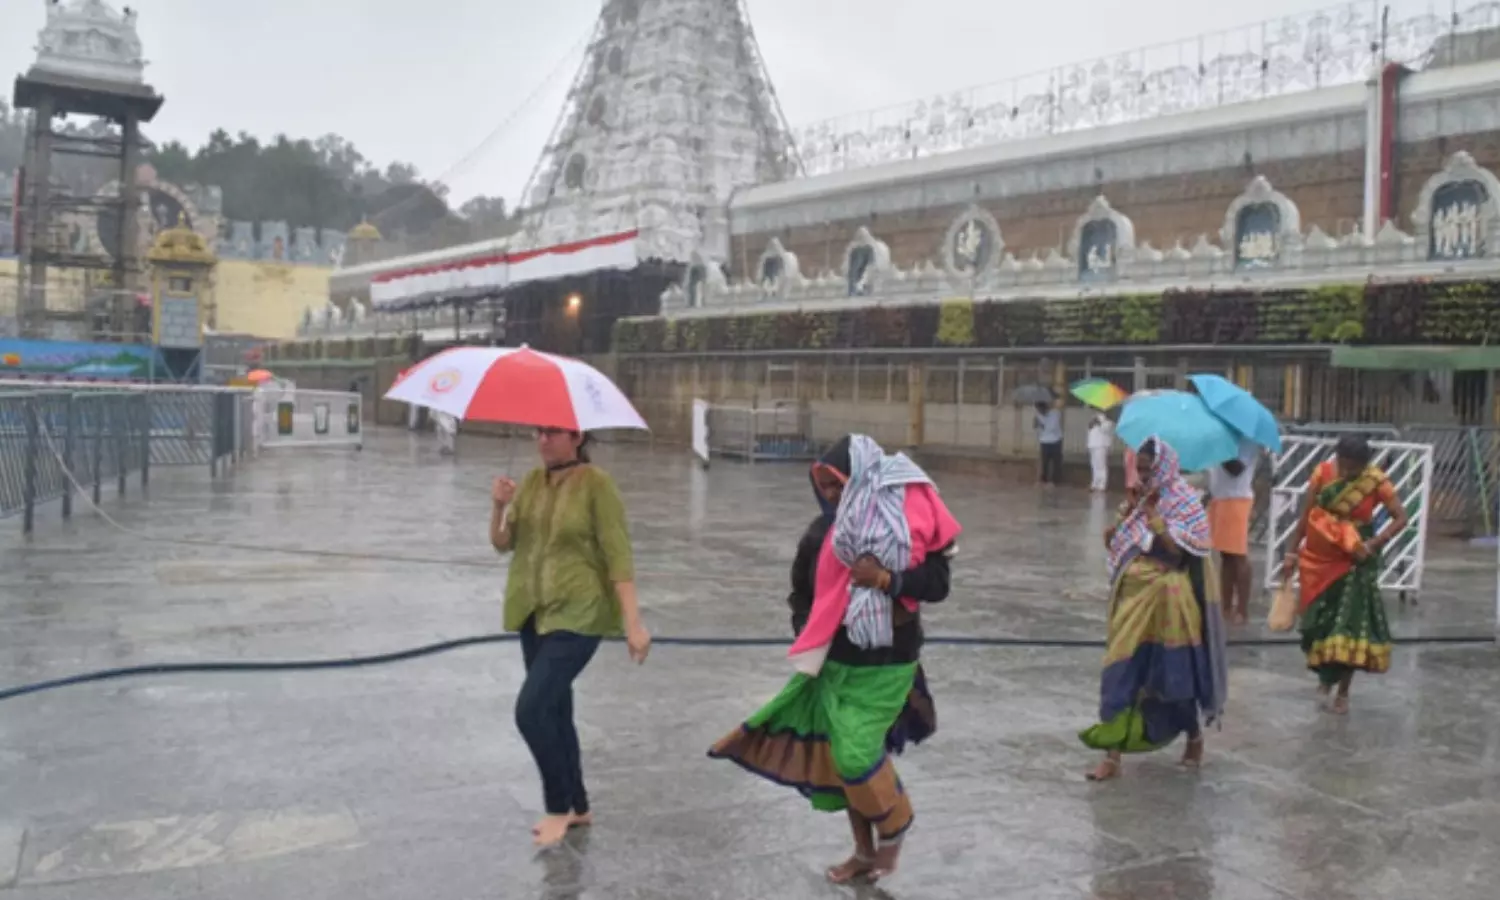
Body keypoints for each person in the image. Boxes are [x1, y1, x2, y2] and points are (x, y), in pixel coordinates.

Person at [709, 435, 960, 884]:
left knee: (854, 753)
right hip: (832, 664)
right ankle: (864, 851)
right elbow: (800, 594)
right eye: (822, 484)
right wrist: (813, 632)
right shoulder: (820, 534)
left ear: (860, 479)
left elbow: (938, 584)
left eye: (836, 483)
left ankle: (895, 823)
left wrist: (886, 579)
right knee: (838, 757)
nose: (829, 493)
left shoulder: (900, 527)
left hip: (888, 663)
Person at [490, 427, 652, 847]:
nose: (542, 440)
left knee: (531, 710)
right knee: (556, 712)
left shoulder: (597, 485)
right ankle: (579, 805)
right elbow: (502, 543)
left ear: (576, 437)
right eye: (538, 432)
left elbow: (619, 555)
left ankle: (558, 807)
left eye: (553, 433)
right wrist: (498, 507)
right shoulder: (529, 482)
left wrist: (634, 623)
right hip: (533, 611)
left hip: (580, 613)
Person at [1081, 437, 1228, 782]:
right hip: (1132, 599)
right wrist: (1126, 518)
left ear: (1165, 467)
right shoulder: (1139, 499)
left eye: (1149, 469)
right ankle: (1112, 757)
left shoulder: (1186, 502)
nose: (1144, 476)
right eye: (1141, 469)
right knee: (1120, 672)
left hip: (1169, 601)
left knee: (1172, 676)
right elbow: (1117, 543)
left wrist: (1155, 520)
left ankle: (1193, 737)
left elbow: (1180, 553)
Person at [1280, 434, 1407, 715]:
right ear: (1338, 459)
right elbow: (1306, 516)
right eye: (1346, 466)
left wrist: (1375, 543)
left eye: (1356, 469)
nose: (1350, 473)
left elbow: (1401, 517)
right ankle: (1325, 676)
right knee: (1318, 621)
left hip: (1355, 559)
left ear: (1364, 465)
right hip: (1321, 556)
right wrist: (1290, 553)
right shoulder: (1322, 474)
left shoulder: (1375, 480)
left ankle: (1343, 692)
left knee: (1350, 624)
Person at [1207, 441, 1260, 624]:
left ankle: (1242, 610)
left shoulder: (1246, 441)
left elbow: (1235, 469)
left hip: (1236, 499)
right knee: (1226, 555)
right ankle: (1226, 606)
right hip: (1221, 497)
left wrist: (1219, 446)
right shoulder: (1225, 437)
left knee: (1239, 555)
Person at [1034, 401, 1063, 488]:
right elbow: (1036, 429)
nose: (1039, 411)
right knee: (1044, 462)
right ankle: (1044, 479)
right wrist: (1035, 423)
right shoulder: (1038, 416)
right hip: (1044, 441)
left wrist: (1042, 424)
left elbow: (1052, 427)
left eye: (1040, 409)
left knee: (1055, 462)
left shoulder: (1055, 414)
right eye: (1038, 410)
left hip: (1055, 440)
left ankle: (1054, 481)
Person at [1087, 414, 1114, 492]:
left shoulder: (1108, 422)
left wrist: (1099, 422)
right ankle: (1095, 483)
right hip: (1093, 445)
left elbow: (1105, 430)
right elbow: (1090, 429)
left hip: (1101, 445)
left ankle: (1102, 484)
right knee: (1094, 465)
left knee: (1101, 465)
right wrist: (1092, 423)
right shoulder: (1094, 419)